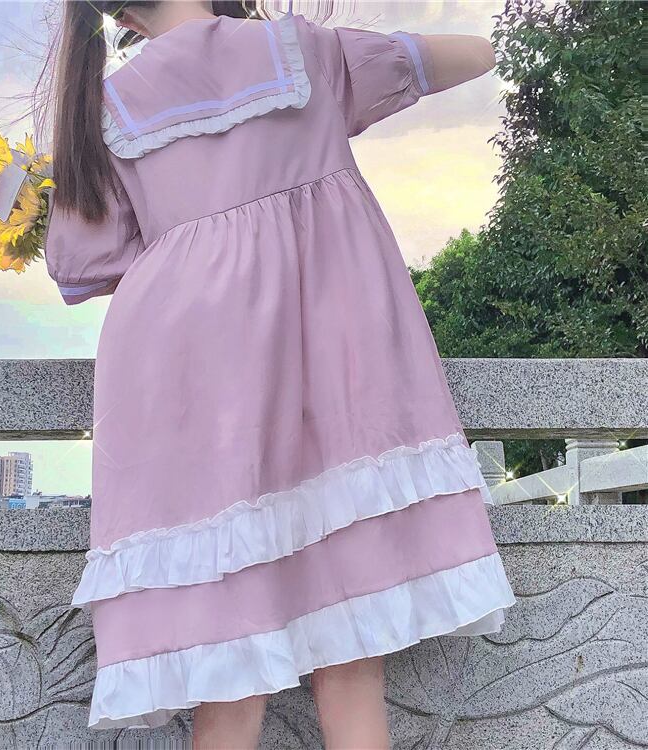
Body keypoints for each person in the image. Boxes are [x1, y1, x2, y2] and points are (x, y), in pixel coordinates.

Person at [40, 1, 516, 747]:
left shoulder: (103, 109)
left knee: (230, 675)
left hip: (197, 392)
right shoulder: (300, 50)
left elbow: (82, 266)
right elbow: (469, 55)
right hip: (343, 383)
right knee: (352, 653)